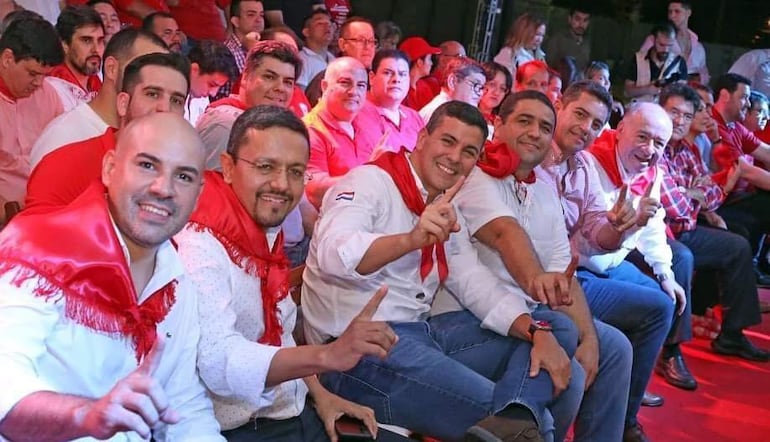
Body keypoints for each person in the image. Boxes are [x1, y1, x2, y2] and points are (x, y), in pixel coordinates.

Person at [302, 101, 584, 442]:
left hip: (423, 334)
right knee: (536, 426)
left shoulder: (443, 204)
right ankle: (517, 418)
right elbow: (334, 254)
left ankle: (516, 413)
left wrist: (536, 331)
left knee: (557, 327)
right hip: (358, 349)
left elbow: (471, 281)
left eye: (468, 151)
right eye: (447, 142)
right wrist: (409, 240)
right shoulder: (369, 182)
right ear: (422, 138)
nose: (454, 158)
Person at [175, 105, 409, 442]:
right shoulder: (199, 245)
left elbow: (279, 332)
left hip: (295, 412)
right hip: (243, 430)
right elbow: (218, 359)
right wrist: (327, 356)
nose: (282, 184)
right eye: (266, 166)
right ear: (227, 167)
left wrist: (317, 394)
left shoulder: (262, 231)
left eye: (296, 171)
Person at [0, 113, 225, 441]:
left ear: (199, 194)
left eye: (184, 177)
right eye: (147, 165)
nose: (164, 188)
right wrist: (86, 415)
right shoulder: (36, 253)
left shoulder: (176, 278)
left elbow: (182, 402)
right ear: (109, 169)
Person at [452, 89, 633, 442]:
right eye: (524, 121)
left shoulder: (542, 190)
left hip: (527, 311)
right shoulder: (476, 174)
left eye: (544, 127)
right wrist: (539, 282)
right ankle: (525, 428)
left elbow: (565, 273)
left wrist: (590, 338)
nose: (536, 132)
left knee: (613, 348)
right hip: (472, 317)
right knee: (567, 351)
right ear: (497, 123)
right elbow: (506, 233)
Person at [539, 92, 681, 442]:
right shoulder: (584, 163)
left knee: (664, 295)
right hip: (577, 273)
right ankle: (624, 414)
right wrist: (624, 227)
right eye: (643, 137)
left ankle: (626, 405)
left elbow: (614, 231)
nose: (649, 149)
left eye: (659, 142)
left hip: (586, 267)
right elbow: (585, 251)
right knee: (652, 310)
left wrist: (663, 271)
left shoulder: (582, 166)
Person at [657, 83, 769, 363]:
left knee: (737, 245)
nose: (680, 121)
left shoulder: (686, 150)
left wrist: (693, 195)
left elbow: (712, 194)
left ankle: (732, 335)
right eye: (674, 113)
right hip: (660, 235)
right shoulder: (655, 145)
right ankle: (671, 350)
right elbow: (678, 208)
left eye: (686, 115)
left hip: (687, 229)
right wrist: (695, 196)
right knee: (683, 255)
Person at [26, 52, 190, 211]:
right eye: (152, 94)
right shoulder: (65, 164)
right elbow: (34, 235)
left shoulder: (185, 177)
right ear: (123, 104)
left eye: (176, 100)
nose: (164, 109)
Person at [29, 28, 169, 171]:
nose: (156, 82)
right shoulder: (65, 137)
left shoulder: (153, 140)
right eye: (144, 68)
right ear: (111, 68)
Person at [197, 40, 301, 171]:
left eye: (288, 82)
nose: (280, 88)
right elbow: (211, 188)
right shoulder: (225, 125)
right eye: (269, 77)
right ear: (245, 78)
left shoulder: (278, 127)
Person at [0, 17, 64, 222]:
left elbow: (62, 156)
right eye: (32, 73)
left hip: (45, 209)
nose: (39, 83)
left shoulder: (49, 95)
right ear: (7, 58)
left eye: (45, 75)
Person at [303, 56, 379, 208]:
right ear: (324, 86)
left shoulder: (367, 121)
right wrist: (367, 176)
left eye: (361, 85)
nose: (354, 92)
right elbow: (314, 191)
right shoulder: (309, 130)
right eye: (345, 83)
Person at [356, 49, 425, 157]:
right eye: (388, 73)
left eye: (402, 74)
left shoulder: (415, 118)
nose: (396, 79)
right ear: (371, 77)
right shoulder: (355, 113)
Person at [638, 2, 709, 83]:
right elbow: (640, 65)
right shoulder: (654, 40)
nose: (672, 16)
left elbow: (704, 75)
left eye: (677, 11)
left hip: (688, 93)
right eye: (670, 12)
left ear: (688, 13)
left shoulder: (698, 47)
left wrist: (698, 80)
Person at [49, 5, 105, 106]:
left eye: (100, 40)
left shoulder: (95, 80)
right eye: (87, 41)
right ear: (65, 45)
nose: (96, 49)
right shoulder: (53, 87)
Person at [624, 22, 687, 102]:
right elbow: (628, 91)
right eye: (661, 45)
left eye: (670, 45)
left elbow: (682, 94)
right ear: (653, 40)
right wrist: (647, 89)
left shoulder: (679, 62)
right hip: (640, 108)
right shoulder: (638, 59)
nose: (665, 50)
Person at [219, 0, 266, 99]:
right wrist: (253, 51)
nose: (259, 20)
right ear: (235, 21)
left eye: (261, 15)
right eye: (251, 15)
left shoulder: (265, 46)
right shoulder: (226, 52)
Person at [185, 40, 238, 126]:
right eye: (211, 84)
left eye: (219, 87)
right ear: (194, 70)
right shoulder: (169, 93)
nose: (213, 93)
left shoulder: (203, 100)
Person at [418, 56, 486, 123]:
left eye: (481, 88)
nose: (481, 93)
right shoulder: (439, 113)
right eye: (476, 85)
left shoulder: (450, 111)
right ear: (452, 81)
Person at [398, 36, 440, 110]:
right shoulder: (398, 88)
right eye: (429, 59)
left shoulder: (425, 87)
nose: (432, 63)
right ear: (419, 62)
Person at [544, 7, 591, 72]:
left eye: (585, 20)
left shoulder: (587, 43)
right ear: (570, 19)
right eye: (577, 19)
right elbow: (548, 66)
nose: (581, 24)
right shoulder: (558, 39)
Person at [297, 9, 335, 90]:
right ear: (306, 32)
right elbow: (300, 94)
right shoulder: (301, 60)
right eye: (320, 23)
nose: (327, 26)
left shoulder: (334, 60)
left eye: (329, 23)